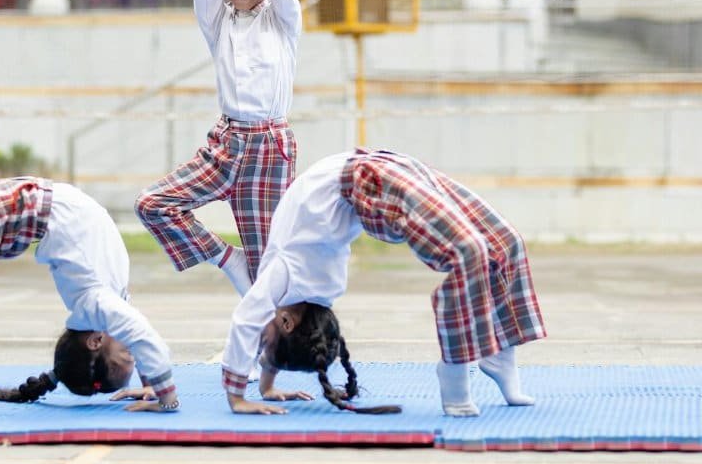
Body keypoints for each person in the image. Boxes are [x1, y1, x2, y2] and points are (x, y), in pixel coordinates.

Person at [220, 149, 547, 416]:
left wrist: (251, 393)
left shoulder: (288, 280)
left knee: (506, 243)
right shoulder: (294, 280)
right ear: (288, 322)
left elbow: (258, 327)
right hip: (371, 185)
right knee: (468, 252)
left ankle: (500, 353)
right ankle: (455, 366)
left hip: (381, 169)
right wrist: (256, 389)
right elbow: (259, 327)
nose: (260, 340)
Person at [135, 0, 301, 297]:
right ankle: (227, 258)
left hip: (269, 150)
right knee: (153, 205)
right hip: (225, 145)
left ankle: (261, 358)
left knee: (268, 273)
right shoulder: (217, 20)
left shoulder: (283, 20)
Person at [0, 177, 179, 417]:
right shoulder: (104, 302)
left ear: (96, 341)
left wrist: (153, 382)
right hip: (20, 205)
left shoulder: (97, 305)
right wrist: (162, 393)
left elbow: (139, 336)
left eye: (126, 354)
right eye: (131, 355)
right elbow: (143, 335)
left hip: (14, 209)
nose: (132, 350)